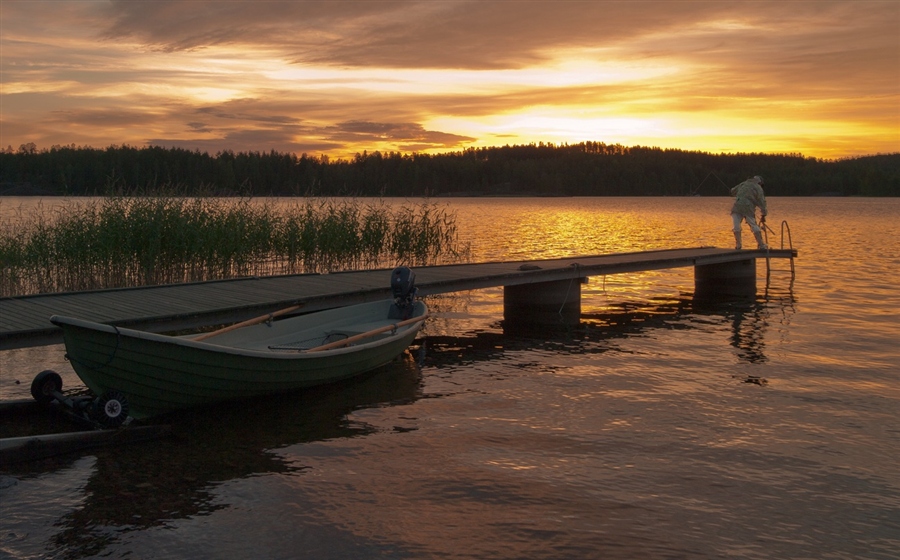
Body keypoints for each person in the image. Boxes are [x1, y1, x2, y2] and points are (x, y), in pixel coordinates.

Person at [730, 175, 768, 250]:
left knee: (736, 226)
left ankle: (738, 245)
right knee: (753, 225)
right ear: (760, 182)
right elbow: (762, 202)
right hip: (748, 208)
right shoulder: (758, 187)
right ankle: (761, 245)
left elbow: (732, 191)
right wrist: (763, 214)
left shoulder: (743, 183)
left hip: (737, 207)